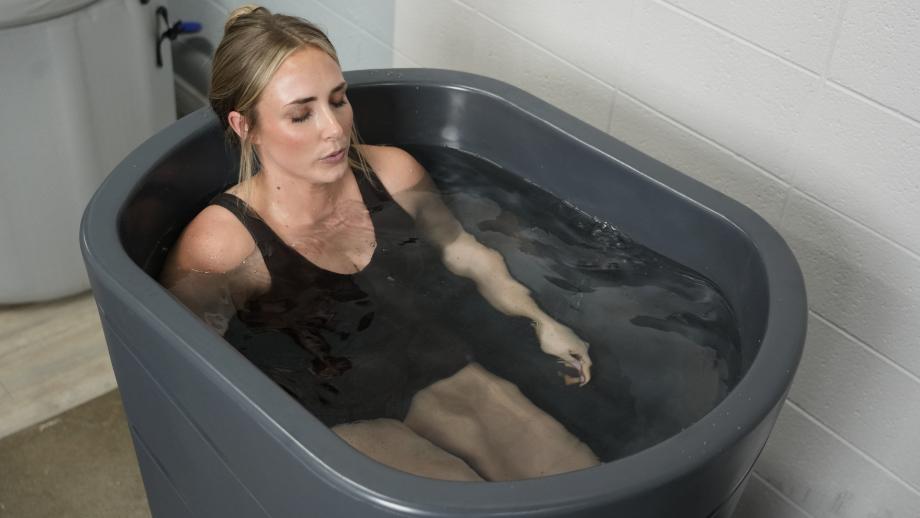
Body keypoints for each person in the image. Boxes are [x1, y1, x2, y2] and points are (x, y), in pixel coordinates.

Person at [159, 4, 598, 482]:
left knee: (573, 474)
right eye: (301, 114)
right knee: (455, 498)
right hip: (321, 405)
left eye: (338, 100)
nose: (334, 129)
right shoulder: (222, 245)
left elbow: (461, 248)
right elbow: (194, 367)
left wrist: (541, 321)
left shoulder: (393, 174)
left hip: (420, 357)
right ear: (246, 127)